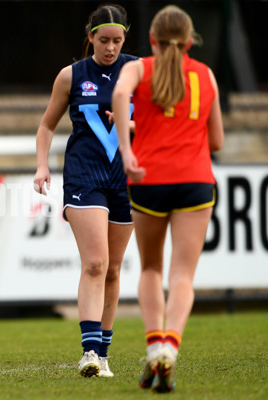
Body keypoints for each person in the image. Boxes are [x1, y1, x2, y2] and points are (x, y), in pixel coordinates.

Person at [112, 5, 224, 393]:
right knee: (182, 276)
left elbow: (119, 92)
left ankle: (154, 343)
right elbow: (217, 141)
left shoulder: (140, 68)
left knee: (150, 270)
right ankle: (170, 349)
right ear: (190, 41)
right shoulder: (206, 74)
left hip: (149, 181)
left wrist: (128, 150)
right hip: (195, 181)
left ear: (153, 40)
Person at [33, 4, 136, 378]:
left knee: (112, 270)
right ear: (90, 36)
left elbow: (160, 121)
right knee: (95, 263)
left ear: (126, 38)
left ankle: (104, 354)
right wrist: (42, 164)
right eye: (103, 39)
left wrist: (132, 122)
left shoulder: (139, 70)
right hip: (83, 176)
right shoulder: (71, 75)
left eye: (117, 40)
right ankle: (89, 352)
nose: (110, 47)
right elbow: (46, 126)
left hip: (125, 178)